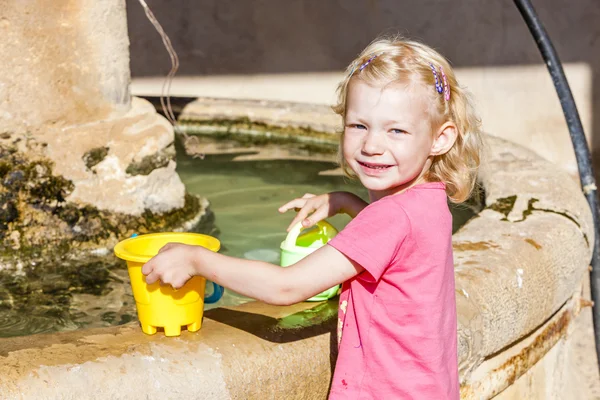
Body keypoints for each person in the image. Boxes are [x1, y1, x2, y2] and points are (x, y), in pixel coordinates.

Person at [142, 35, 483, 399]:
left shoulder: (391, 218)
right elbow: (397, 244)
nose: (371, 145)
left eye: (396, 130)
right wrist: (346, 202)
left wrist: (197, 259)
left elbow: (287, 287)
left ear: (440, 139)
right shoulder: (428, 201)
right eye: (359, 126)